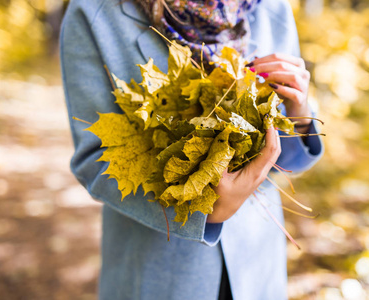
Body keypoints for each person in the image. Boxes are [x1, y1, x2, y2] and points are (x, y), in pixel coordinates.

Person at [60, 0, 323, 299]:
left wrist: (298, 113)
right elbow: (93, 158)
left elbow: (284, 162)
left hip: (256, 267)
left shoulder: (271, 8)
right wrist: (203, 213)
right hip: (160, 270)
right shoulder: (96, 12)